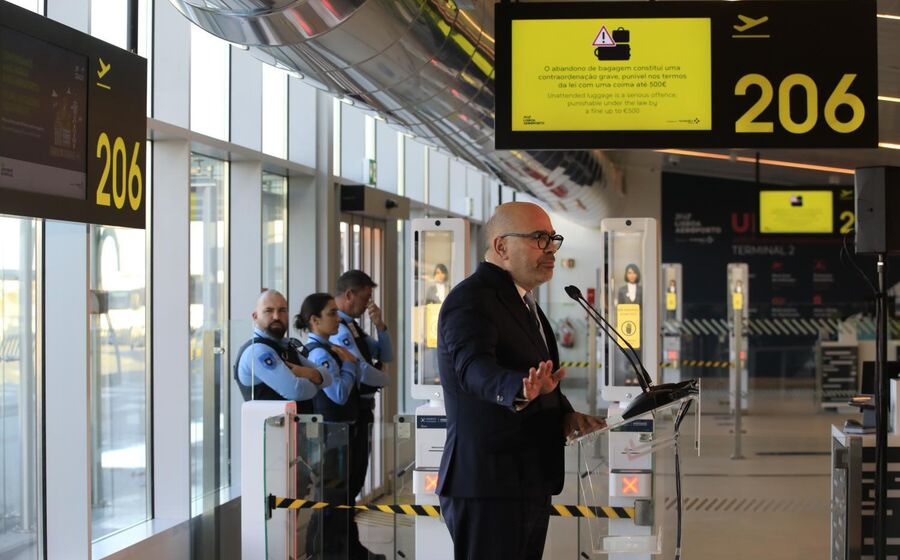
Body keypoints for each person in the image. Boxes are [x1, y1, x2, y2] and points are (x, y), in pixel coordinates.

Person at [436, 202, 605, 560]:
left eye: (553, 238)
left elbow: (541, 378)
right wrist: (518, 389)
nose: (551, 249)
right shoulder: (471, 299)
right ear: (501, 246)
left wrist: (565, 415)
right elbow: (473, 368)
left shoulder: (524, 302)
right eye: (539, 238)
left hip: (528, 478)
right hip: (489, 483)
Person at [295, 292, 386, 560]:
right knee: (332, 499)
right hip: (331, 436)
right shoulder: (320, 354)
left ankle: (348, 549)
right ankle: (327, 552)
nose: (337, 318)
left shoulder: (329, 349)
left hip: (342, 433)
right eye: (332, 313)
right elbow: (339, 394)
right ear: (315, 320)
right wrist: (349, 365)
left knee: (343, 497)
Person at [331, 271, 393, 508]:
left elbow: (386, 354)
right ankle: (340, 529)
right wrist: (386, 379)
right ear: (349, 294)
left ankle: (349, 529)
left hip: (363, 409)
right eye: (365, 298)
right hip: (349, 411)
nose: (368, 304)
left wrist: (380, 325)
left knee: (357, 476)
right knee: (346, 480)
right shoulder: (339, 329)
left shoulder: (352, 326)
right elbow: (361, 370)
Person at [233, 289, 332, 413]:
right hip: (270, 425)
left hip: (294, 424)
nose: (276, 316)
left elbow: (328, 377)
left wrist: (310, 374)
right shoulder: (258, 350)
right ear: (255, 316)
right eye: (269, 311)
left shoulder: (284, 346)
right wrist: (317, 383)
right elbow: (296, 391)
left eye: (282, 310)